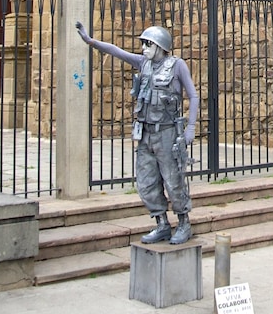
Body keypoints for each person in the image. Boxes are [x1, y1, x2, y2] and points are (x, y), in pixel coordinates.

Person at [76, 22, 200, 245]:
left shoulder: (177, 65)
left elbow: (193, 95)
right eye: (143, 44)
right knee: (146, 183)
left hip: (168, 133)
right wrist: (90, 41)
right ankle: (161, 223)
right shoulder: (143, 63)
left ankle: (183, 223)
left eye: (147, 44)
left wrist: (191, 127)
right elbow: (116, 50)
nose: (143, 48)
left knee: (173, 182)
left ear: (160, 46)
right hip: (145, 134)